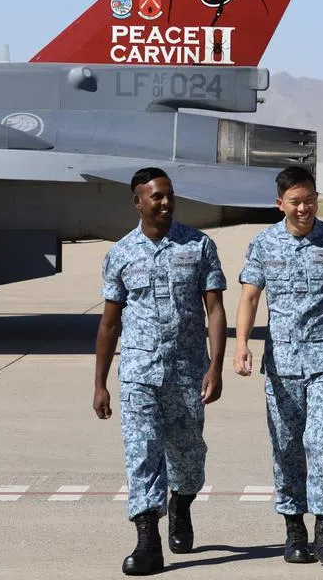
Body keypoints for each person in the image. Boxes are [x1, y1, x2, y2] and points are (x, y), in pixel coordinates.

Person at [92, 167, 228, 576]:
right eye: (157, 196)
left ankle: (181, 503)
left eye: (170, 195)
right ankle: (147, 541)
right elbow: (109, 323)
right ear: (138, 202)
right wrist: (99, 383)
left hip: (187, 371)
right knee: (142, 453)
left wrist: (215, 366)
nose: (166, 202)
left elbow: (215, 310)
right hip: (139, 372)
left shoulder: (198, 245)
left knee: (188, 456)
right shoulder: (120, 254)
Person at [233, 166, 323, 566]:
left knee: (322, 441)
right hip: (281, 364)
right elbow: (249, 298)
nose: (304, 208)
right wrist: (241, 345)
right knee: (287, 446)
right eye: (295, 202)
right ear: (280, 203)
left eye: (310, 200)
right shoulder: (263, 244)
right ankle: (294, 530)